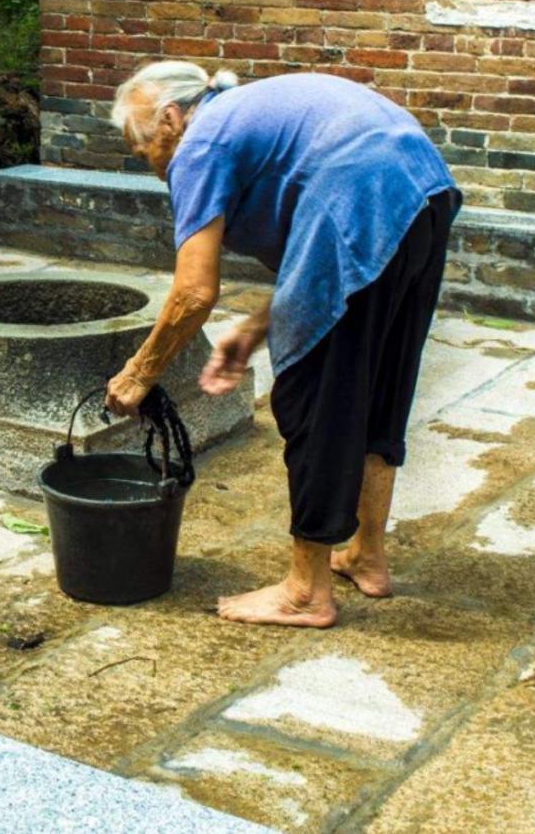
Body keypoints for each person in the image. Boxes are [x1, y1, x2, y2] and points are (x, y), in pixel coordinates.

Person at [104, 61, 461, 628]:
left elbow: (194, 292)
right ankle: (367, 557)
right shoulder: (243, 119)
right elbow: (324, 266)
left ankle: (305, 592)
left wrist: (139, 373)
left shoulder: (198, 145)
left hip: (363, 188)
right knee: (378, 380)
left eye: (139, 145)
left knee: (312, 396)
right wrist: (254, 327)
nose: (146, 162)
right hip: (424, 191)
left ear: (169, 119)